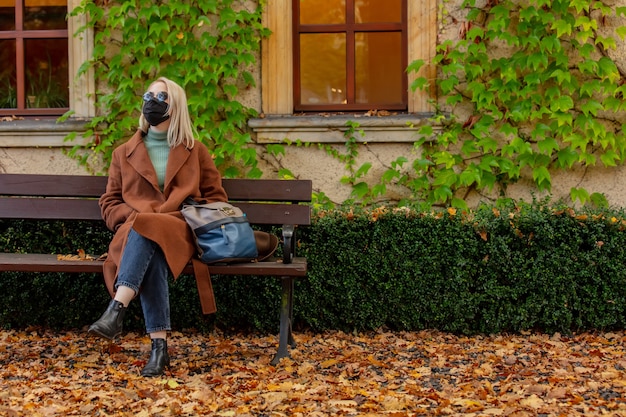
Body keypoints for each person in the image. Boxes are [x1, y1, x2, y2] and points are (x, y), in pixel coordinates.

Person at [88, 76, 228, 377]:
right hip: (136, 231)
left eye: (161, 97)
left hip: (180, 228)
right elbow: (109, 201)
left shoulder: (195, 150)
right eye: (148, 95)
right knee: (148, 235)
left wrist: (186, 213)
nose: (152, 101)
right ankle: (159, 351)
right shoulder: (123, 153)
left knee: (151, 226)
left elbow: (216, 199)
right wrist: (136, 218)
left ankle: (117, 309)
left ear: (175, 105)